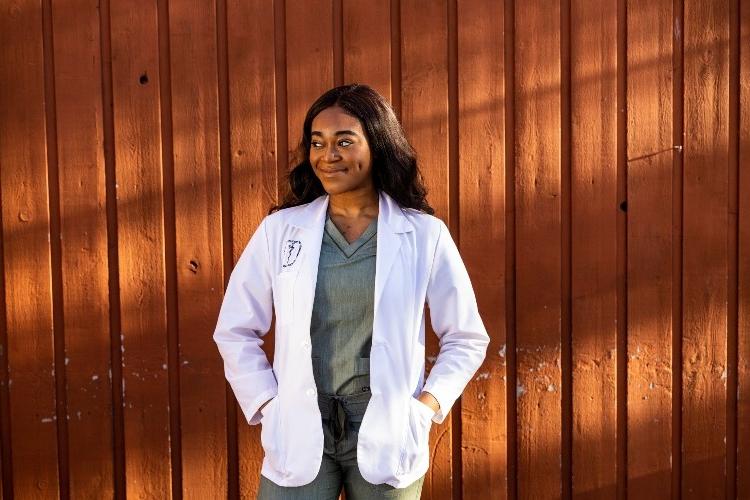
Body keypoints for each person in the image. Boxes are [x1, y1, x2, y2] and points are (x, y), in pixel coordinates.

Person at [213, 83, 489, 499]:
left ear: (378, 145)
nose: (329, 155)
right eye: (317, 142)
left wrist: (425, 407)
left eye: (345, 141)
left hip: (387, 421)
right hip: (302, 420)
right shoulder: (281, 231)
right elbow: (235, 328)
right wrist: (269, 405)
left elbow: (466, 336)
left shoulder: (422, 234)